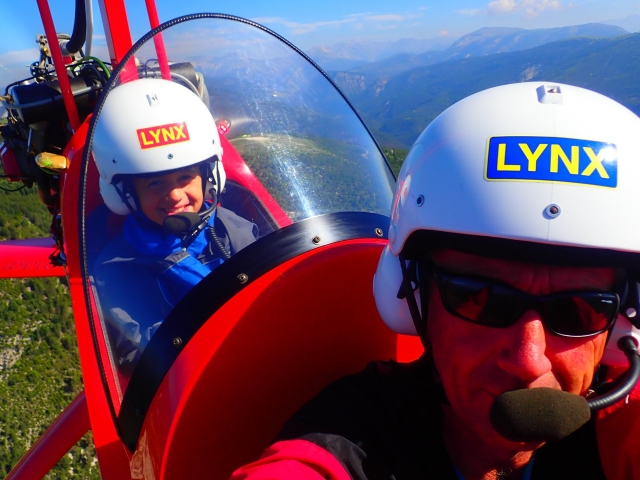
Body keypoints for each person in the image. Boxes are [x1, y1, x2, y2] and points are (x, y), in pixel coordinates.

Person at [230, 82, 640, 479]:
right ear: (413, 297)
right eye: (480, 298)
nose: (527, 361)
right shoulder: (352, 440)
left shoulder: (623, 422)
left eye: (577, 311)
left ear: (623, 320)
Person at [90, 78, 258, 370]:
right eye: (154, 183)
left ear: (209, 176)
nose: (175, 195)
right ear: (127, 194)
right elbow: (141, 357)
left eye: (185, 177)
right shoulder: (118, 267)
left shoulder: (235, 230)